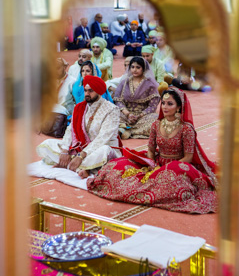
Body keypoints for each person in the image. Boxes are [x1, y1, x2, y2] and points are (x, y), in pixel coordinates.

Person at [87, 87, 218, 214]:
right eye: (163, 103)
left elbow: (188, 157)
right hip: (156, 162)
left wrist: (169, 169)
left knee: (169, 178)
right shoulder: (156, 124)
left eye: (170, 104)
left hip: (179, 166)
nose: (165, 107)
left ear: (179, 107)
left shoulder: (186, 129)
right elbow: (150, 148)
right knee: (118, 166)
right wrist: (151, 162)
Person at [37, 75, 121, 179]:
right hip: (79, 149)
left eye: (90, 91)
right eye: (85, 90)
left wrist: (81, 156)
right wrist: (65, 150)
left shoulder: (112, 110)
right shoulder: (80, 107)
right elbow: (70, 130)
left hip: (98, 149)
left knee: (104, 151)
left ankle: (74, 165)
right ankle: (82, 167)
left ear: (98, 91)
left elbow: (103, 138)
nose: (87, 94)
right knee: (47, 144)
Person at [114, 56, 160, 139]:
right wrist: (128, 114)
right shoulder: (124, 82)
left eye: (138, 67)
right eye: (132, 67)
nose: (134, 70)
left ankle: (126, 130)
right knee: (112, 115)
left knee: (156, 119)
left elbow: (152, 106)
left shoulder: (150, 84)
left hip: (143, 117)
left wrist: (139, 116)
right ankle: (125, 128)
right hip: (125, 115)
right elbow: (118, 101)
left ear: (143, 69)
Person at [40, 58, 75, 138]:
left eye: (58, 68)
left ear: (64, 67)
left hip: (65, 114)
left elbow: (77, 102)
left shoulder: (72, 81)